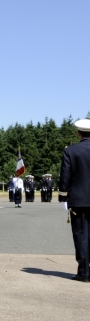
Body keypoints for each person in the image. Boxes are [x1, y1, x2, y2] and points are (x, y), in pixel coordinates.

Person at [58, 119, 90, 282]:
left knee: (81, 235)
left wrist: (63, 197)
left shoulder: (71, 151)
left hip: (78, 199)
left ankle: (84, 272)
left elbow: (65, 177)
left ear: (79, 133)